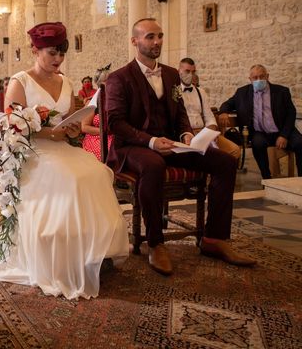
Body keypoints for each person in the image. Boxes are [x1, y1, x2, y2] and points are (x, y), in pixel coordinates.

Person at [0, 22, 129, 300]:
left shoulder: (66, 82)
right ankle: (58, 256)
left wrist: (72, 128)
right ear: (35, 50)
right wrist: (51, 132)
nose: (57, 60)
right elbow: (13, 126)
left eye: (61, 54)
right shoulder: (20, 82)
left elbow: (69, 122)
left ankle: (91, 251)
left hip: (61, 148)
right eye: (52, 53)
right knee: (71, 178)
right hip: (34, 151)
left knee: (97, 172)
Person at [106, 18, 256, 276]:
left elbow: (180, 113)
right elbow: (115, 123)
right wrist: (151, 141)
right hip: (132, 147)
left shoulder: (172, 74)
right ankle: (155, 243)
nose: (157, 42)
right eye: (150, 37)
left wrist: (186, 134)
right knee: (154, 165)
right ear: (135, 41)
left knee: (225, 162)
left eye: (160, 36)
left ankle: (214, 239)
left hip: (172, 143)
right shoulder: (119, 78)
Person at [218, 64, 302, 179]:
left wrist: (283, 135)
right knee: (258, 144)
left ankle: (301, 178)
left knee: (300, 142)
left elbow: (291, 113)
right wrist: (223, 112)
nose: (258, 80)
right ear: (250, 79)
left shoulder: (281, 91)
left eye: (261, 76)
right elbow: (227, 104)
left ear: (267, 76)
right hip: (260, 132)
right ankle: (266, 178)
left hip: (282, 130)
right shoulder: (242, 92)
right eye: (255, 77)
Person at [178, 58, 241, 160]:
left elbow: (209, 116)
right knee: (210, 156)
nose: (191, 75)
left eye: (193, 72)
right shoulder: (174, 91)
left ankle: (218, 175)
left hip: (203, 132)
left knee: (234, 150)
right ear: (179, 71)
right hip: (187, 134)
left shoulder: (200, 92)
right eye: (187, 71)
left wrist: (211, 131)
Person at [81, 67, 111, 160]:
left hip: (115, 137)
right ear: (99, 84)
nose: (111, 84)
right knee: (109, 153)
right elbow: (84, 127)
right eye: (106, 81)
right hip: (96, 138)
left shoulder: (116, 99)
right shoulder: (93, 101)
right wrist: (105, 132)